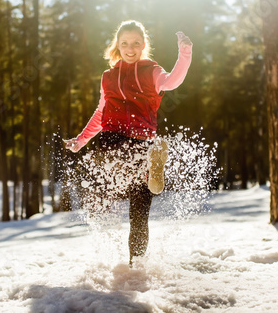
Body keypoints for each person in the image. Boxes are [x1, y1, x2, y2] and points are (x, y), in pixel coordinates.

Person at [64, 20, 192, 264]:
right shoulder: (108, 77)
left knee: (140, 212)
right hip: (115, 138)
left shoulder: (151, 71)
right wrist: (81, 140)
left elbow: (173, 81)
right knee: (112, 154)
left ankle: (137, 262)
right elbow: (101, 113)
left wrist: (185, 52)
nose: (130, 48)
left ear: (143, 45)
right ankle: (149, 166)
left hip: (140, 142)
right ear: (118, 46)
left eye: (135, 43)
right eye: (124, 43)